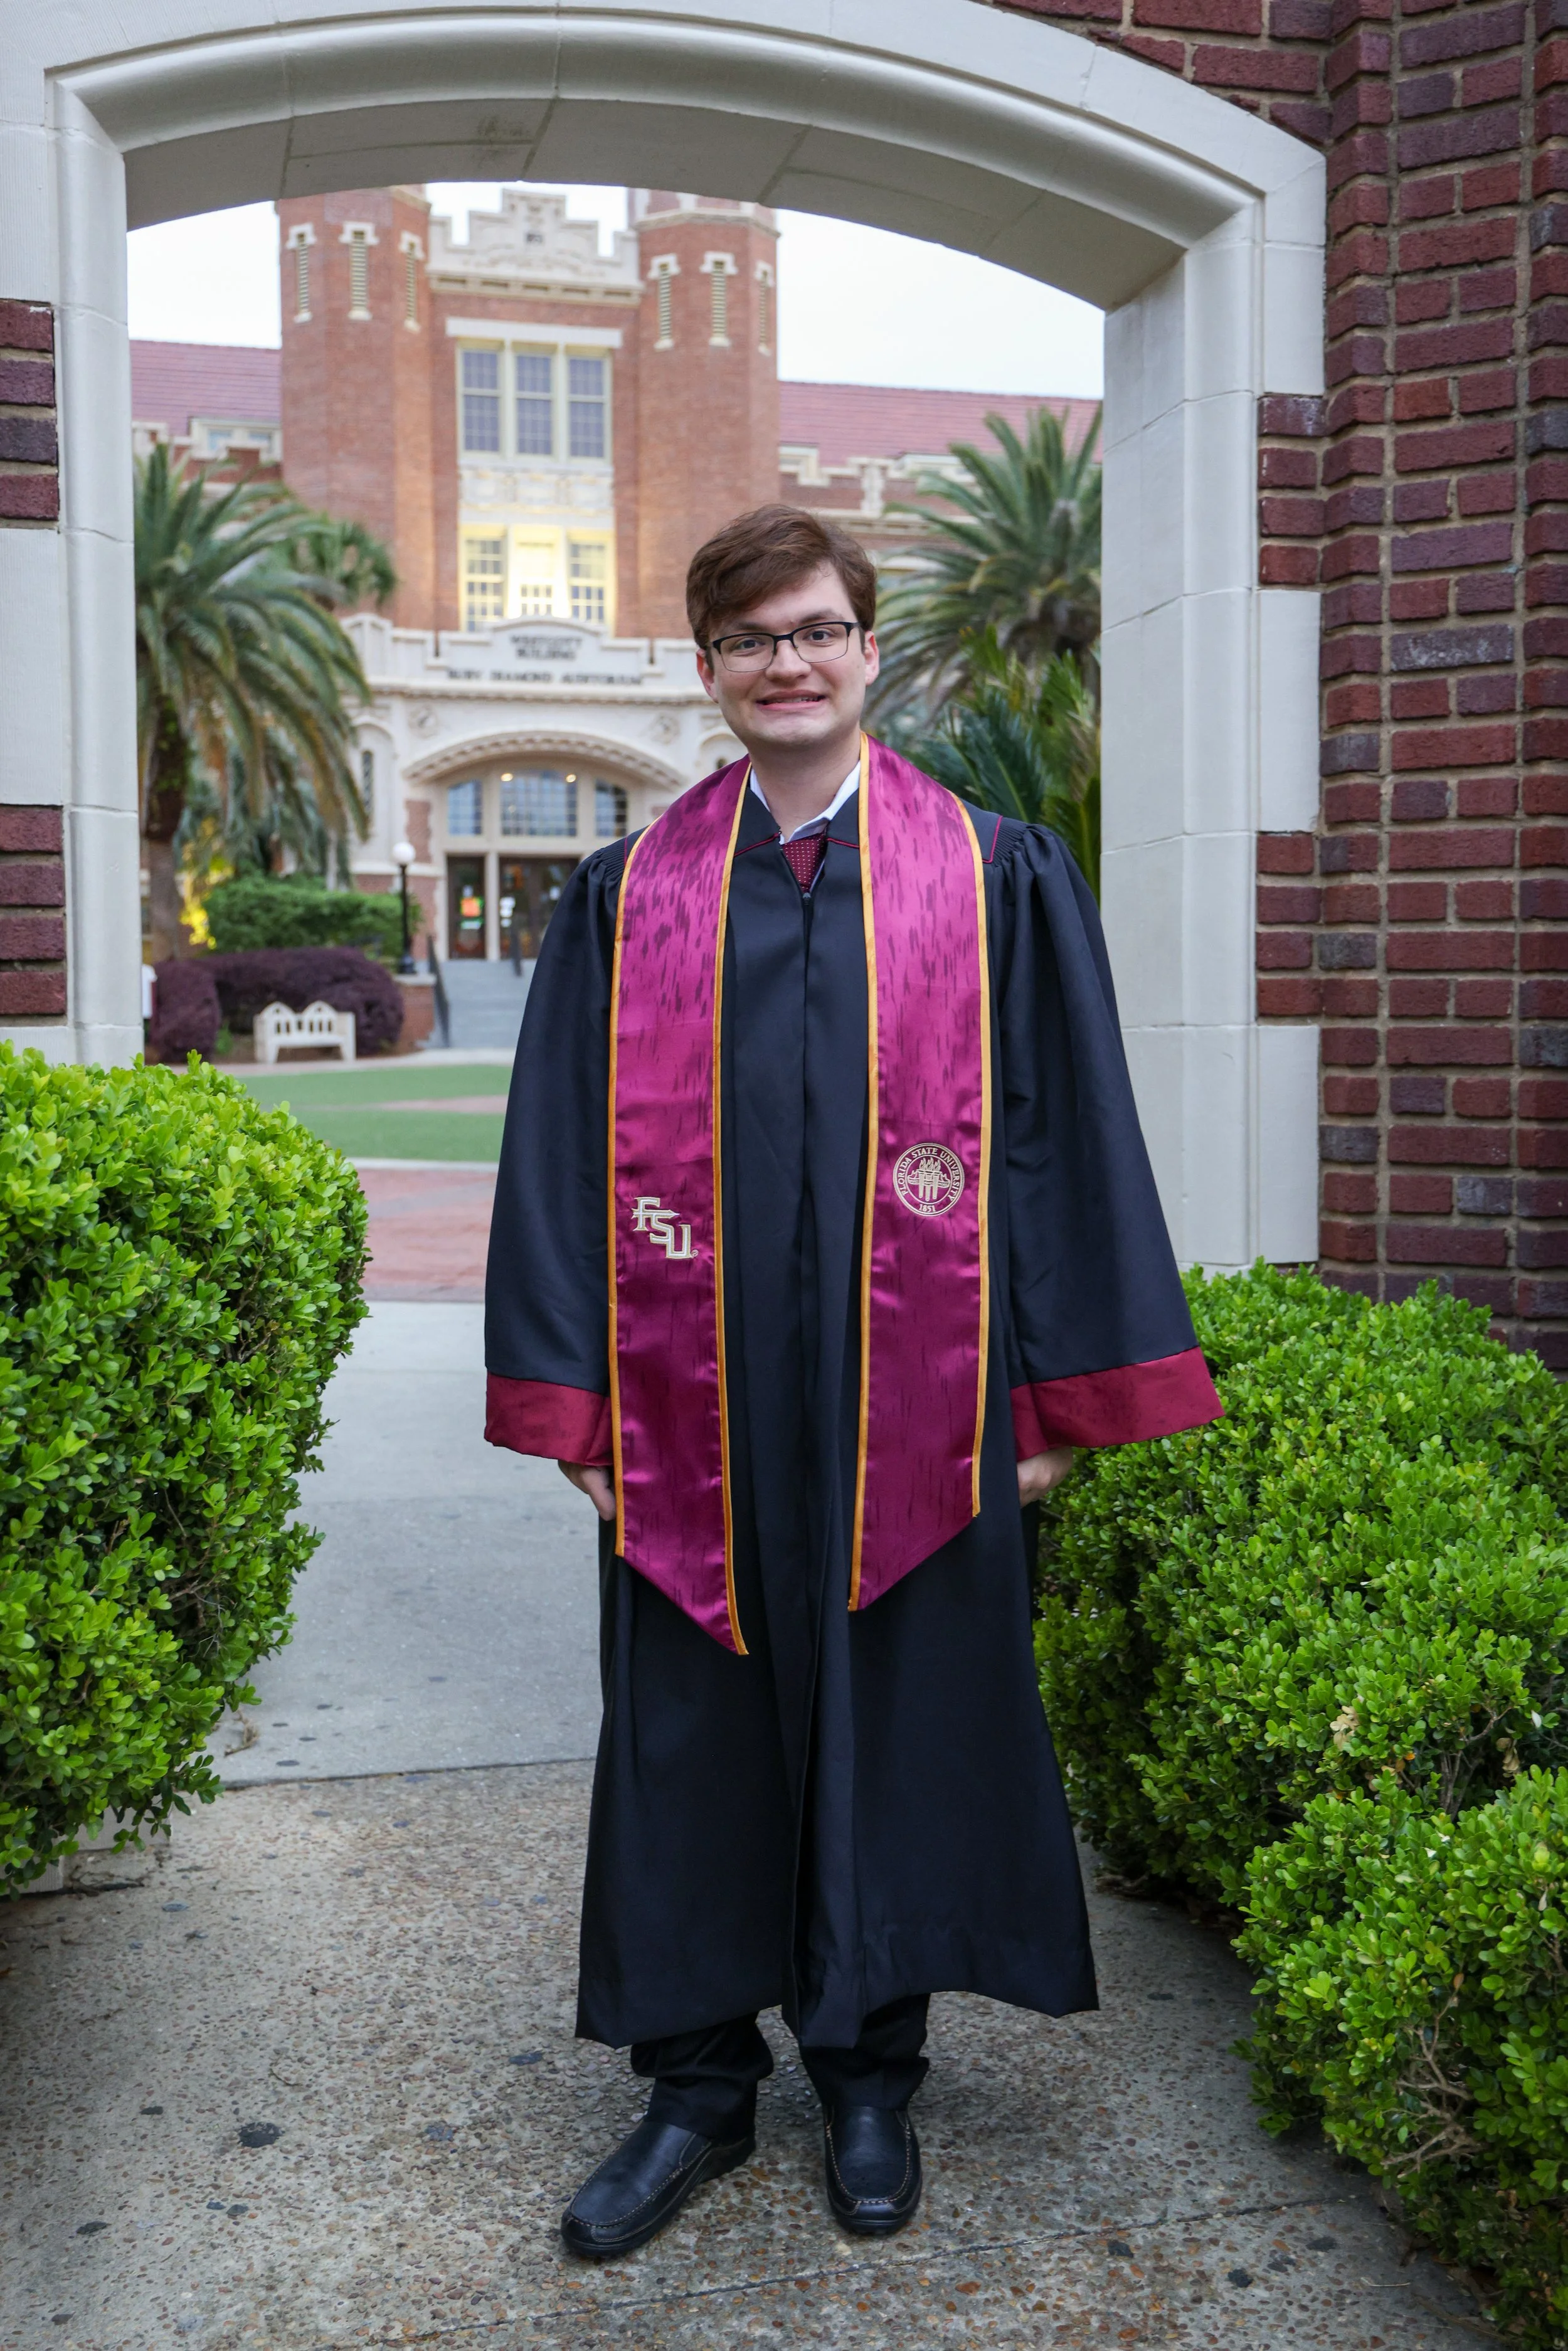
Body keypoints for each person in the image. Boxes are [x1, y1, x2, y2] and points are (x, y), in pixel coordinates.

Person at [484, 504, 1220, 2258]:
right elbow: (557, 1161)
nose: (787, 663)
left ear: (867, 649)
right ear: (707, 671)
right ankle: (695, 2084)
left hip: (927, 1393)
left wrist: (1047, 1406)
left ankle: (869, 2065)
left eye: (815, 629)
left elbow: (1060, 1141)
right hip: (690, 1404)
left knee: (898, 1708)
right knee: (687, 1725)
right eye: (750, 640)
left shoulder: (991, 872)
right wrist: (577, 1409)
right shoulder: (627, 890)